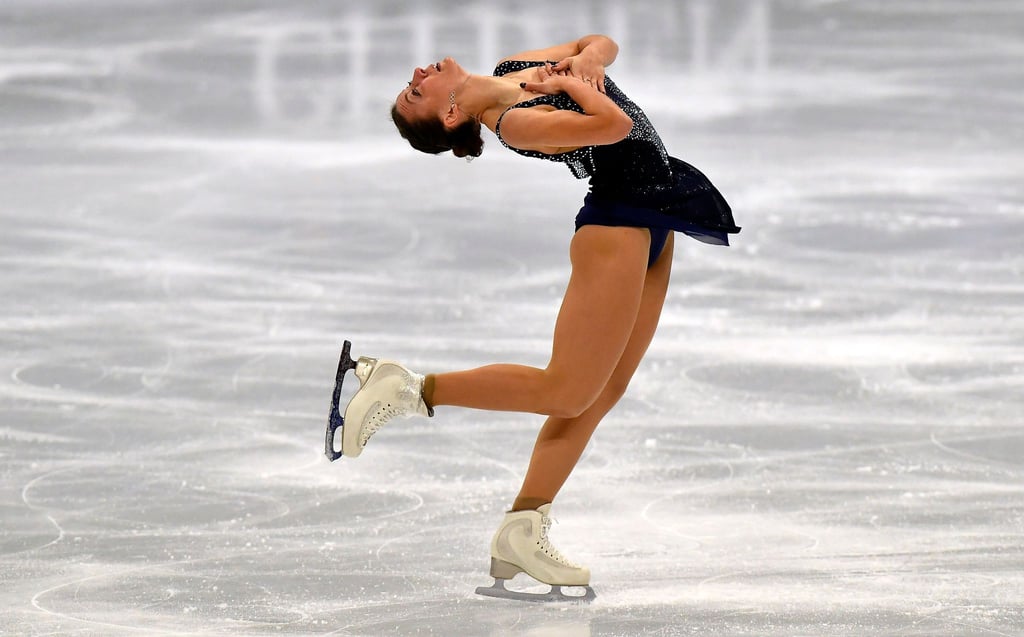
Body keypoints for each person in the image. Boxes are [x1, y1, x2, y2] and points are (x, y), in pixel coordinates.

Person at [340, 34, 740, 602]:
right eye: (415, 91)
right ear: (452, 113)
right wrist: (572, 83)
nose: (417, 72)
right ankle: (405, 388)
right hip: (616, 230)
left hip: (657, 216)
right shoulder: (514, 124)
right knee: (565, 389)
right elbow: (614, 128)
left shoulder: (515, 65)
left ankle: (523, 528)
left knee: (604, 389)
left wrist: (589, 60)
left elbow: (599, 41)